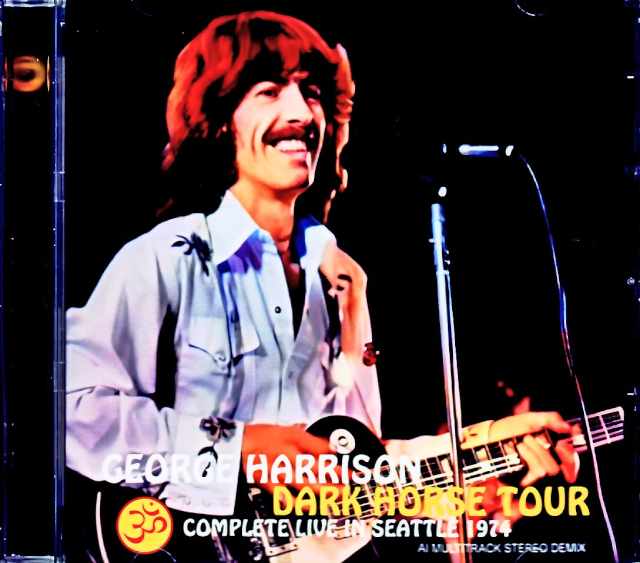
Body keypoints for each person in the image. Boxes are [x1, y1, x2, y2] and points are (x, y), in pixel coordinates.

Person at [65, 11, 578, 561]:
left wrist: (482, 454)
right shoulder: (169, 257)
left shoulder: (344, 279)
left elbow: (359, 470)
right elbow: (71, 411)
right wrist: (242, 446)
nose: (300, 113)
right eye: (268, 91)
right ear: (220, 119)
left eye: (310, 93)